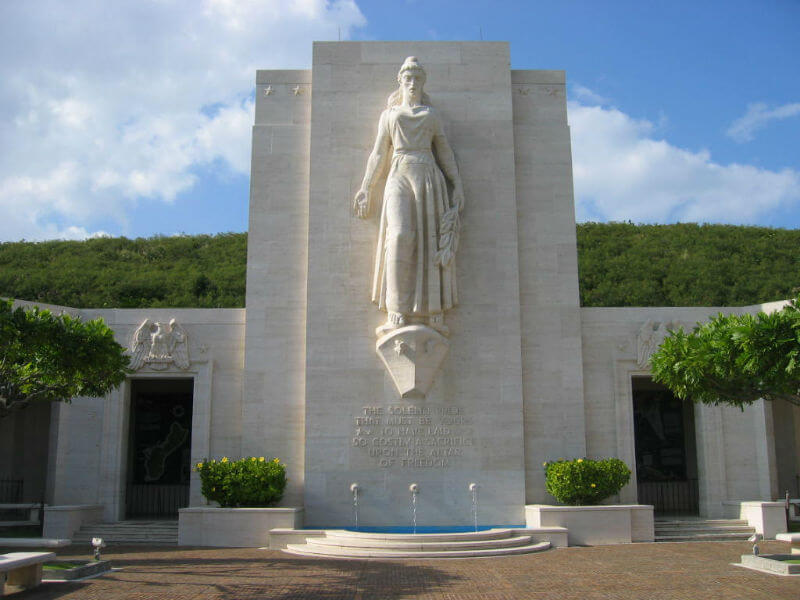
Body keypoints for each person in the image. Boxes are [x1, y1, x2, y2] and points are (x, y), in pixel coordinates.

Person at [354, 56, 464, 337]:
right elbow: (379, 153)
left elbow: (445, 152)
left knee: (429, 240)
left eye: (417, 78)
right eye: (408, 78)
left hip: (428, 173)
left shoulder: (431, 115)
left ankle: (433, 311)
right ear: (400, 81)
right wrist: (366, 186)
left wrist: (457, 183)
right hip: (399, 171)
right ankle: (397, 309)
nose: (413, 83)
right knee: (400, 236)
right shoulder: (389, 115)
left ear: (423, 82)